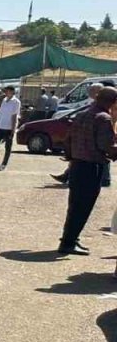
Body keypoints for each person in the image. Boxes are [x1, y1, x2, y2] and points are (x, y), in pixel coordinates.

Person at [58, 87, 117, 256]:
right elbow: (106, 145)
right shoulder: (103, 118)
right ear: (113, 101)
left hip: (77, 165)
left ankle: (69, 239)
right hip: (92, 167)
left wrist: (70, 157)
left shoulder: (81, 115)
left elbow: (67, 140)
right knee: (83, 207)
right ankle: (68, 243)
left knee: (74, 205)